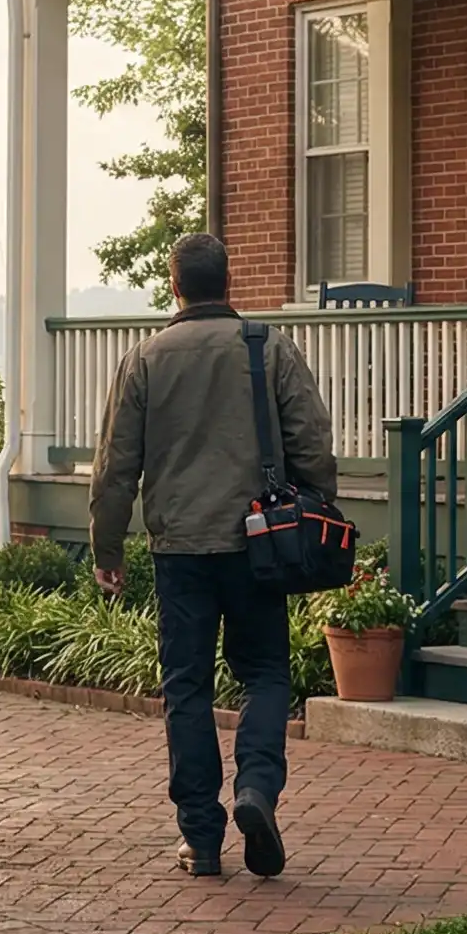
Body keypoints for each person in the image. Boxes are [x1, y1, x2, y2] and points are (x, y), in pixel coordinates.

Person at [89, 233, 337, 879]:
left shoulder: (146, 359)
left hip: (179, 549)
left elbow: (116, 465)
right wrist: (320, 504)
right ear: (228, 283)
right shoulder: (267, 347)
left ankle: (202, 840)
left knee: (187, 689)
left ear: (174, 286)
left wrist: (106, 546)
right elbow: (310, 437)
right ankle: (256, 788)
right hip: (259, 544)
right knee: (263, 673)